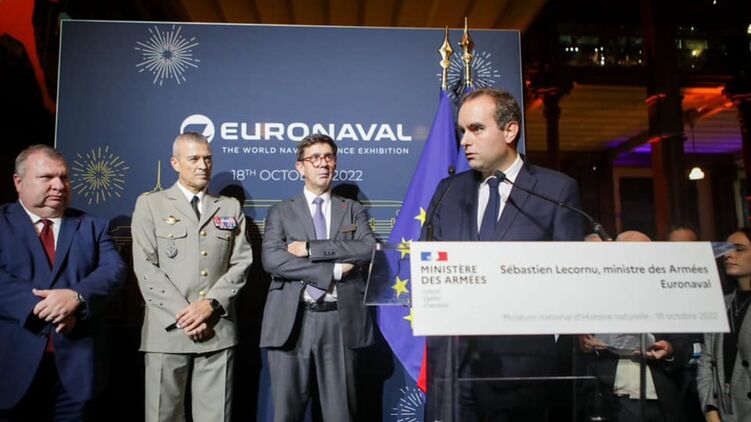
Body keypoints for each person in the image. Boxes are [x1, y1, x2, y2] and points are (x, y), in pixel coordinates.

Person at [423, 87, 585, 421]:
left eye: (476, 129)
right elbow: (426, 261)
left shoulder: (556, 190)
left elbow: (570, 277)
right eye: (462, 131)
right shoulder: (448, 190)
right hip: (455, 367)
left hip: (522, 369)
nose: (465, 141)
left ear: (510, 130)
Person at [131, 132, 253, 422]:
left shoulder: (229, 207)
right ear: (175, 163)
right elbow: (146, 267)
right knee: (163, 416)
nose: (203, 165)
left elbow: (242, 262)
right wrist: (187, 316)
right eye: (194, 158)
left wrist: (209, 305)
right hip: (168, 332)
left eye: (208, 159)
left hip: (216, 330)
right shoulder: (151, 205)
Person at [0, 145, 126, 421]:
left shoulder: (93, 225)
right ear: (18, 182)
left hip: (77, 369)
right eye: (47, 177)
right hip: (11, 367)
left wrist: (76, 297)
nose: (59, 185)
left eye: (64, 177)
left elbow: (113, 270)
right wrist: (49, 308)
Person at [260, 133, 376, 422]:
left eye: (329, 157)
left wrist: (311, 248)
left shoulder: (352, 209)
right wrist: (332, 270)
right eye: (315, 158)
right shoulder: (281, 211)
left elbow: (367, 249)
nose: (323, 164)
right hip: (292, 320)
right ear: (300, 167)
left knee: (341, 413)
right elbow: (273, 260)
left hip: (340, 320)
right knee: (286, 413)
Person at [579, 230, 692, 422]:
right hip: (608, 397)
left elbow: (684, 345)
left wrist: (669, 349)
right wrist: (585, 344)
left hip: (659, 399)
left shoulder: (669, 294)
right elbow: (573, 346)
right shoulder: (593, 294)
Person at [697, 228, 751, 422]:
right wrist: (711, 409)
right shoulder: (721, 303)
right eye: (726, 249)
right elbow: (706, 360)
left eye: (739, 249)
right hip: (724, 412)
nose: (728, 255)